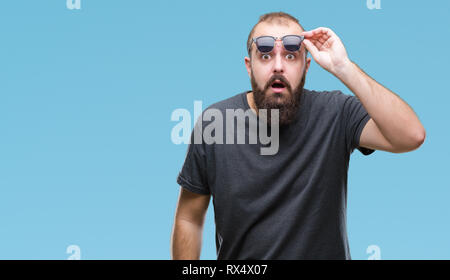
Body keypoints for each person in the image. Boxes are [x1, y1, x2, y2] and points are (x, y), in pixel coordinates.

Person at [170, 11, 425, 260]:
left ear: (306, 65)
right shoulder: (214, 124)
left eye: (291, 56)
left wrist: (343, 67)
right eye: (265, 55)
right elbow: (188, 218)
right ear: (249, 66)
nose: (278, 66)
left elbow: (410, 135)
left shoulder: (336, 113)